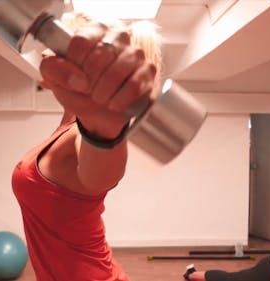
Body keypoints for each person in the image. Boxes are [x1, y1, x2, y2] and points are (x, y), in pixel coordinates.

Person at [11, 13, 161, 281]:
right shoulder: (69, 122)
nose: (45, 51)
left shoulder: (85, 131)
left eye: (57, 45)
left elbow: (100, 177)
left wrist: (106, 128)